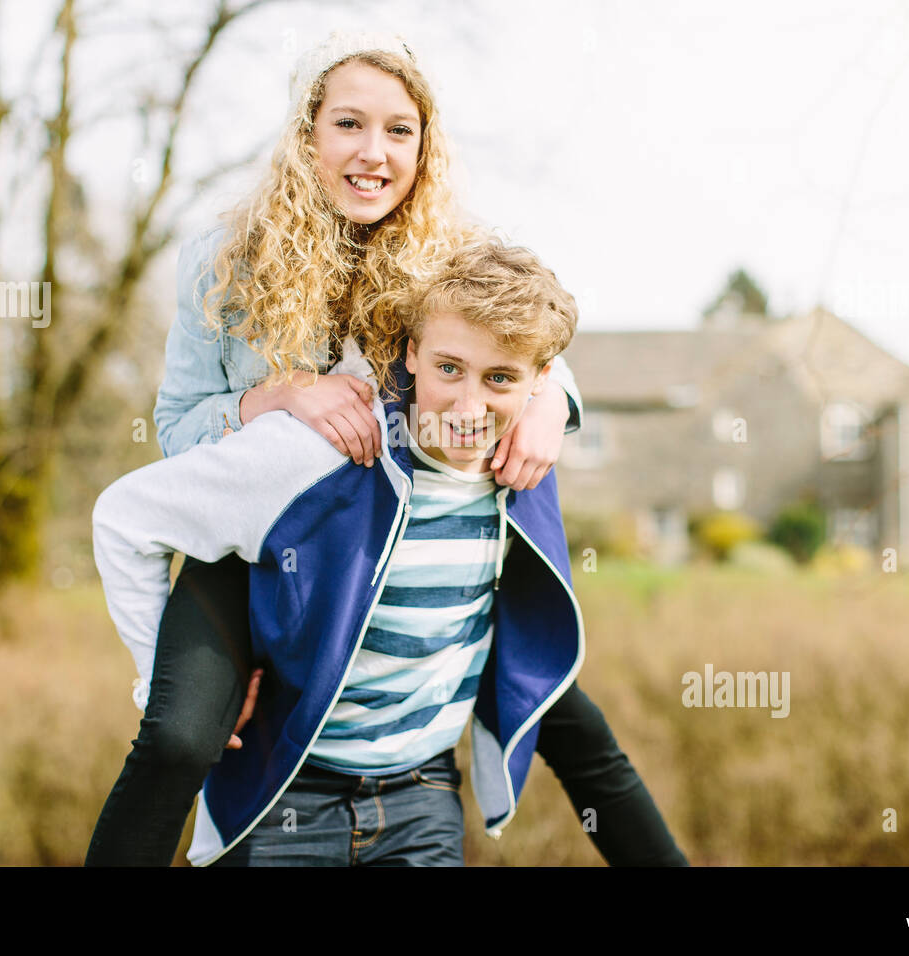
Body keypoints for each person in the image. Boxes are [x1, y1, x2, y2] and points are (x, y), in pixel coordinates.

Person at [85, 32, 687, 867]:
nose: (374, 153)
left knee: (556, 695)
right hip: (262, 522)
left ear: (424, 145)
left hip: (411, 521)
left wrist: (556, 400)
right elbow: (179, 433)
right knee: (184, 737)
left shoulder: (446, 251)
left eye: (400, 130)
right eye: (349, 125)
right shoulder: (220, 265)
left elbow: (522, 335)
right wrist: (277, 396)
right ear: (306, 135)